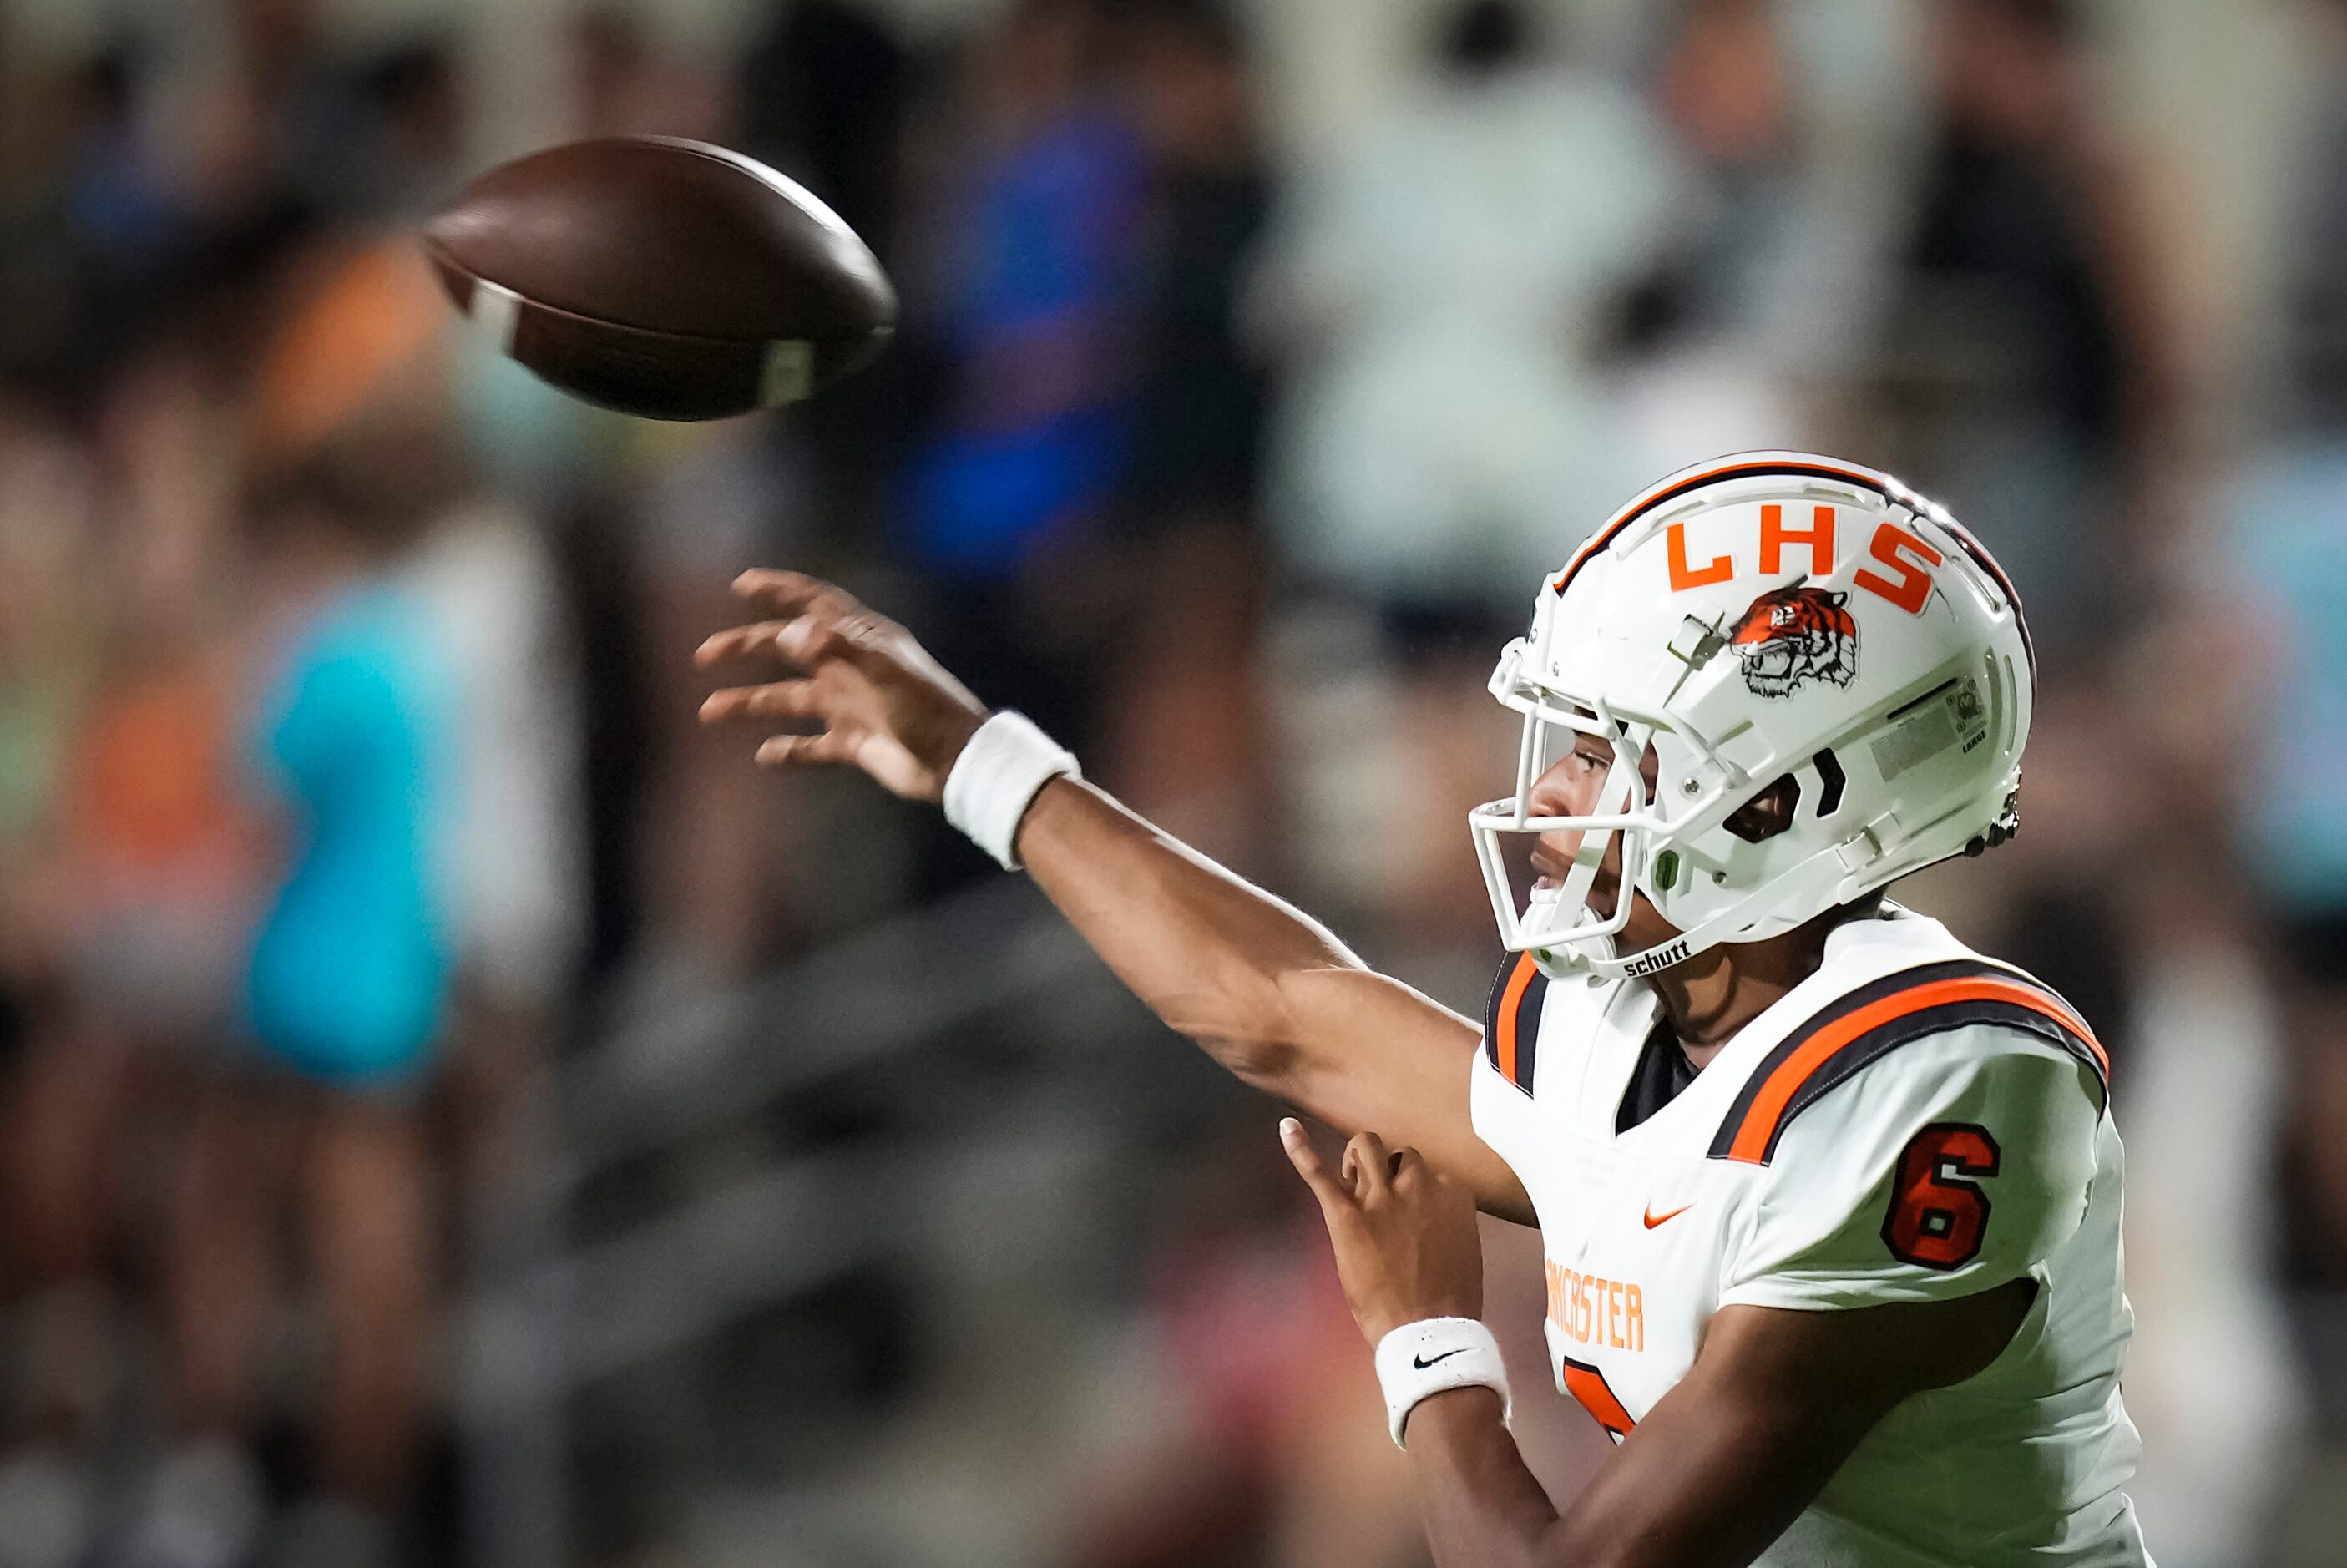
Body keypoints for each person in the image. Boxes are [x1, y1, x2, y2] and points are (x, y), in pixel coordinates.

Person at [696, 452, 2146, 1565]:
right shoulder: (1642, 1019)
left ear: (1786, 795)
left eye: (1605, 749)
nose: (1552, 793)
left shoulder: (1944, 1086)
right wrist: (976, 761)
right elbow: (1282, 1008)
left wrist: (1426, 1339)